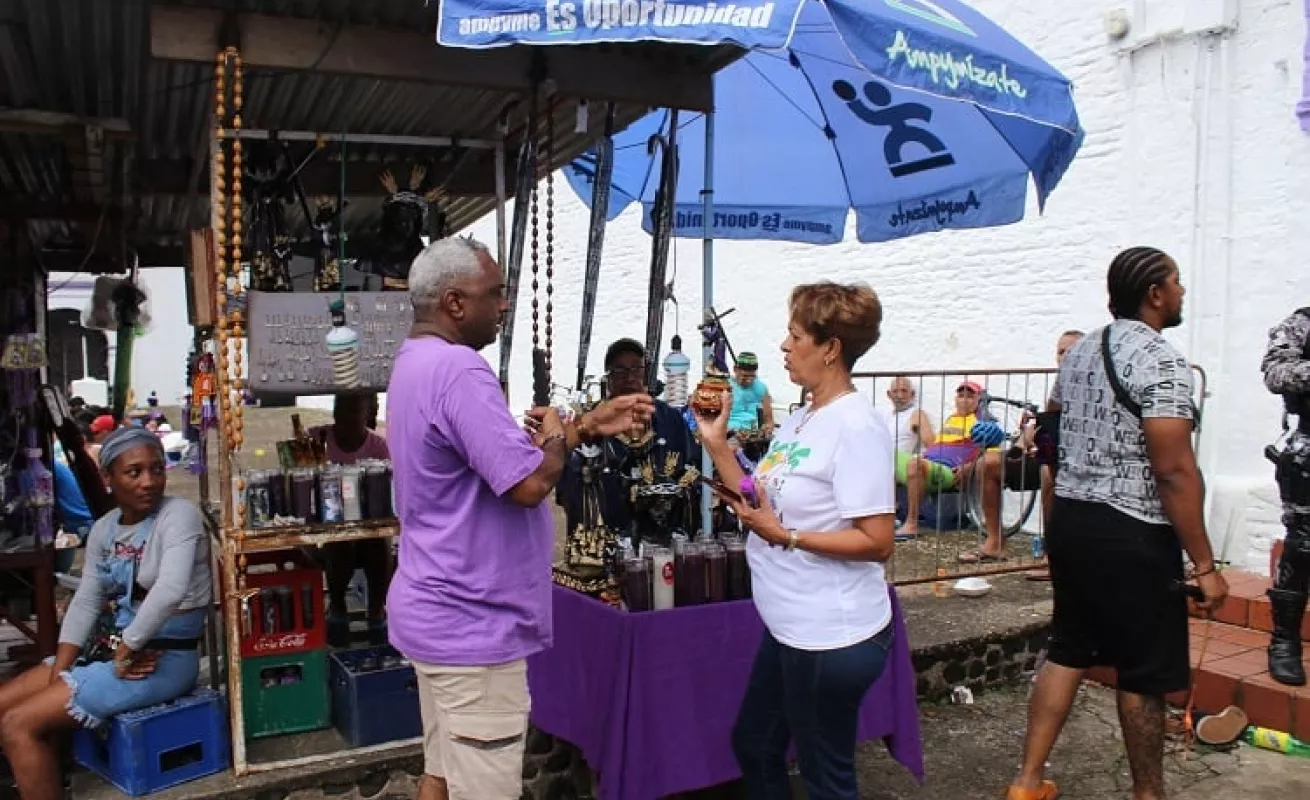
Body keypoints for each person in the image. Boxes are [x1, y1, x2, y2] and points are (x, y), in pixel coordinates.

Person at [384, 237, 655, 800]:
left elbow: (502, 460)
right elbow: (531, 483)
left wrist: (584, 427)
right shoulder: (460, 370)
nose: (504, 305)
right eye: (496, 293)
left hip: (434, 612)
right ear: (455, 303)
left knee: (440, 774)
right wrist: (558, 433)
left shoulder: (414, 362)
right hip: (472, 630)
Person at [1006, 247, 1227, 800]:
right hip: (1132, 530)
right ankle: (1147, 794)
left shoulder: (1078, 354)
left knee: (1068, 648)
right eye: (1176, 283)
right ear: (1154, 294)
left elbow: (1051, 430)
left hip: (1073, 524)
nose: (1182, 292)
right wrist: (1205, 564)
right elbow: (1174, 470)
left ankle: (1028, 782)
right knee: (1143, 673)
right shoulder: (1165, 361)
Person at [695, 281, 897, 800]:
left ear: (830, 348)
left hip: (831, 634)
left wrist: (785, 536)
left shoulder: (857, 426)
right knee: (756, 746)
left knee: (825, 778)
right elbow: (756, 490)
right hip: (792, 626)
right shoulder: (802, 418)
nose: (784, 346)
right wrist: (717, 446)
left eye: (795, 335)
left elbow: (877, 541)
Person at [0, 427, 211, 799]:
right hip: (117, 654)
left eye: (157, 469)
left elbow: (170, 590)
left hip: (164, 660)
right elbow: (85, 601)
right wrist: (60, 672)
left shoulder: (179, 516)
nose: (149, 481)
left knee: (17, 724)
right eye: (134, 472)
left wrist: (127, 648)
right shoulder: (104, 530)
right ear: (108, 478)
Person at [557, 338, 700, 548]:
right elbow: (568, 485)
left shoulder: (669, 419)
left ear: (646, 374)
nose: (629, 377)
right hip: (606, 538)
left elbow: (692, 467)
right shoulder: (592, 421)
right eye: (620, 370)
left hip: (663, 540)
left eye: (636, 369)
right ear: (608, 378)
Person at [309, 393, 392, 648]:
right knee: (340, 544)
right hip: (330, 532)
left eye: (354, 412)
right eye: (341, 411)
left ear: (367, 416)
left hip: (368, 531)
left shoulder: (379, 446)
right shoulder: (317, 440)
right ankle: (337, 607)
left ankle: (376, 611)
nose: (346, 419)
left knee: (379, 546)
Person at [1262, 306, 1310, 686]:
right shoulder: (1302, 322)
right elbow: (1276, 371)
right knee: (1303, 545)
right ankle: (1285, 641)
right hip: (1308, 454)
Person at [886, 376, 934, 457]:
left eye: (904, 391)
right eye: (895, 391)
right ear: (889, 394)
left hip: (897, 462)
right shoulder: (885, 415)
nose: (900, 395)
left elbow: (931, 444)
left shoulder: (916, 414)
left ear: (912, 394)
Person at [727, 352, 775, 432]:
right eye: (744, 376)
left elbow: (769, 421)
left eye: (752, 376)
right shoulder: (725, 387)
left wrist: (767, 428)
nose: (749, 380)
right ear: (735, 369)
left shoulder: (761, 388)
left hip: (753, 434)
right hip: (730, 433)